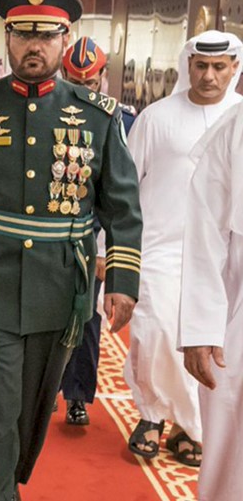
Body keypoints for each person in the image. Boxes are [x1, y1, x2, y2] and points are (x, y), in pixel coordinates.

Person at [0, 0, 142, 501]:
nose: (32, 46)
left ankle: (7, 480)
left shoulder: (97, 115)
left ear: (66, 39)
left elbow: (122, 207)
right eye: (22, 35)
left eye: (45, 35)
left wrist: (123, 281)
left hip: (61, 287)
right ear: (7, 38)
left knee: (32, 410)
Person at [123, 30, 242, 466]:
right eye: (201, 66)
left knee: (214, 343)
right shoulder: (157, 117)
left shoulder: (241, 117)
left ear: (234, 68)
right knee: (155, 332)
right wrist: (108, 248)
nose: (209, 76)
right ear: (188, 65)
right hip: (161, 247)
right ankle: (152, 415)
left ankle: (191, 428)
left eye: (219, 67)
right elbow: (126, 187)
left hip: (223, 258)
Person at [58, 37, 137, 427]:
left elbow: (120, 194)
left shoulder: (121, 120)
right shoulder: (50, 113)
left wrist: (107, 250)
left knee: (85, 323)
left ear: (104, 78)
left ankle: (77, 396)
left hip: (90, 240)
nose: (82, 90)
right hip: (49, 234)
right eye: (74, 81)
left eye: (90, 83)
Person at [180, 98, 243, 500]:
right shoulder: (235, 130)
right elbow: (205, 233)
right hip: (238, 317)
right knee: (231, 451)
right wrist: (201, 329)